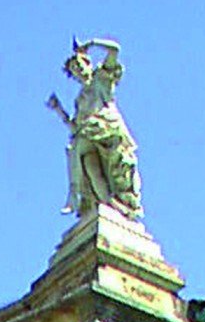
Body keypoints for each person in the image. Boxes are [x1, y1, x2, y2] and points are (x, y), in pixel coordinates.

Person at [46, 38, 143, 222]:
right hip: (89, 135)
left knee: (77, 147)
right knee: (88, 164)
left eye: (79, 65)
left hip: (108, 132)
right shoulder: (80, 99)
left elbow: (114, 50)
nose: (78, 71)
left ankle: (73, 194)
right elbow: (76, 127)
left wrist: (91, 43)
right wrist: (59, 110)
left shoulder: (101, 78)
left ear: (88, 63)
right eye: (74, 70)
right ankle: (110, 206)